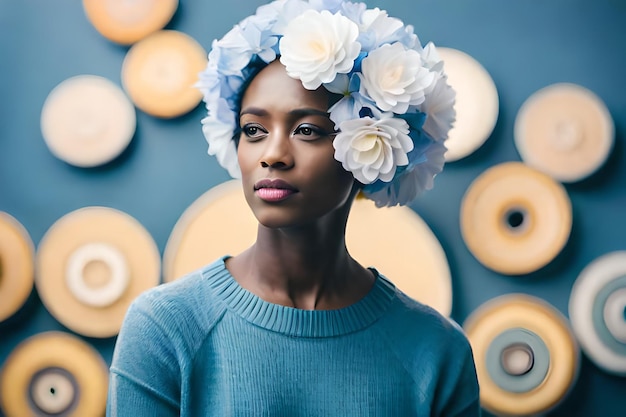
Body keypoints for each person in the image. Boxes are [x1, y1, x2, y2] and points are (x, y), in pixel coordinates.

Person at [106, 1, 480, 416]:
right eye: (254, 130)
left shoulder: (437, 352)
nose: (273, 154)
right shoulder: (164, 329)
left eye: (307, 130)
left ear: (369, 149)